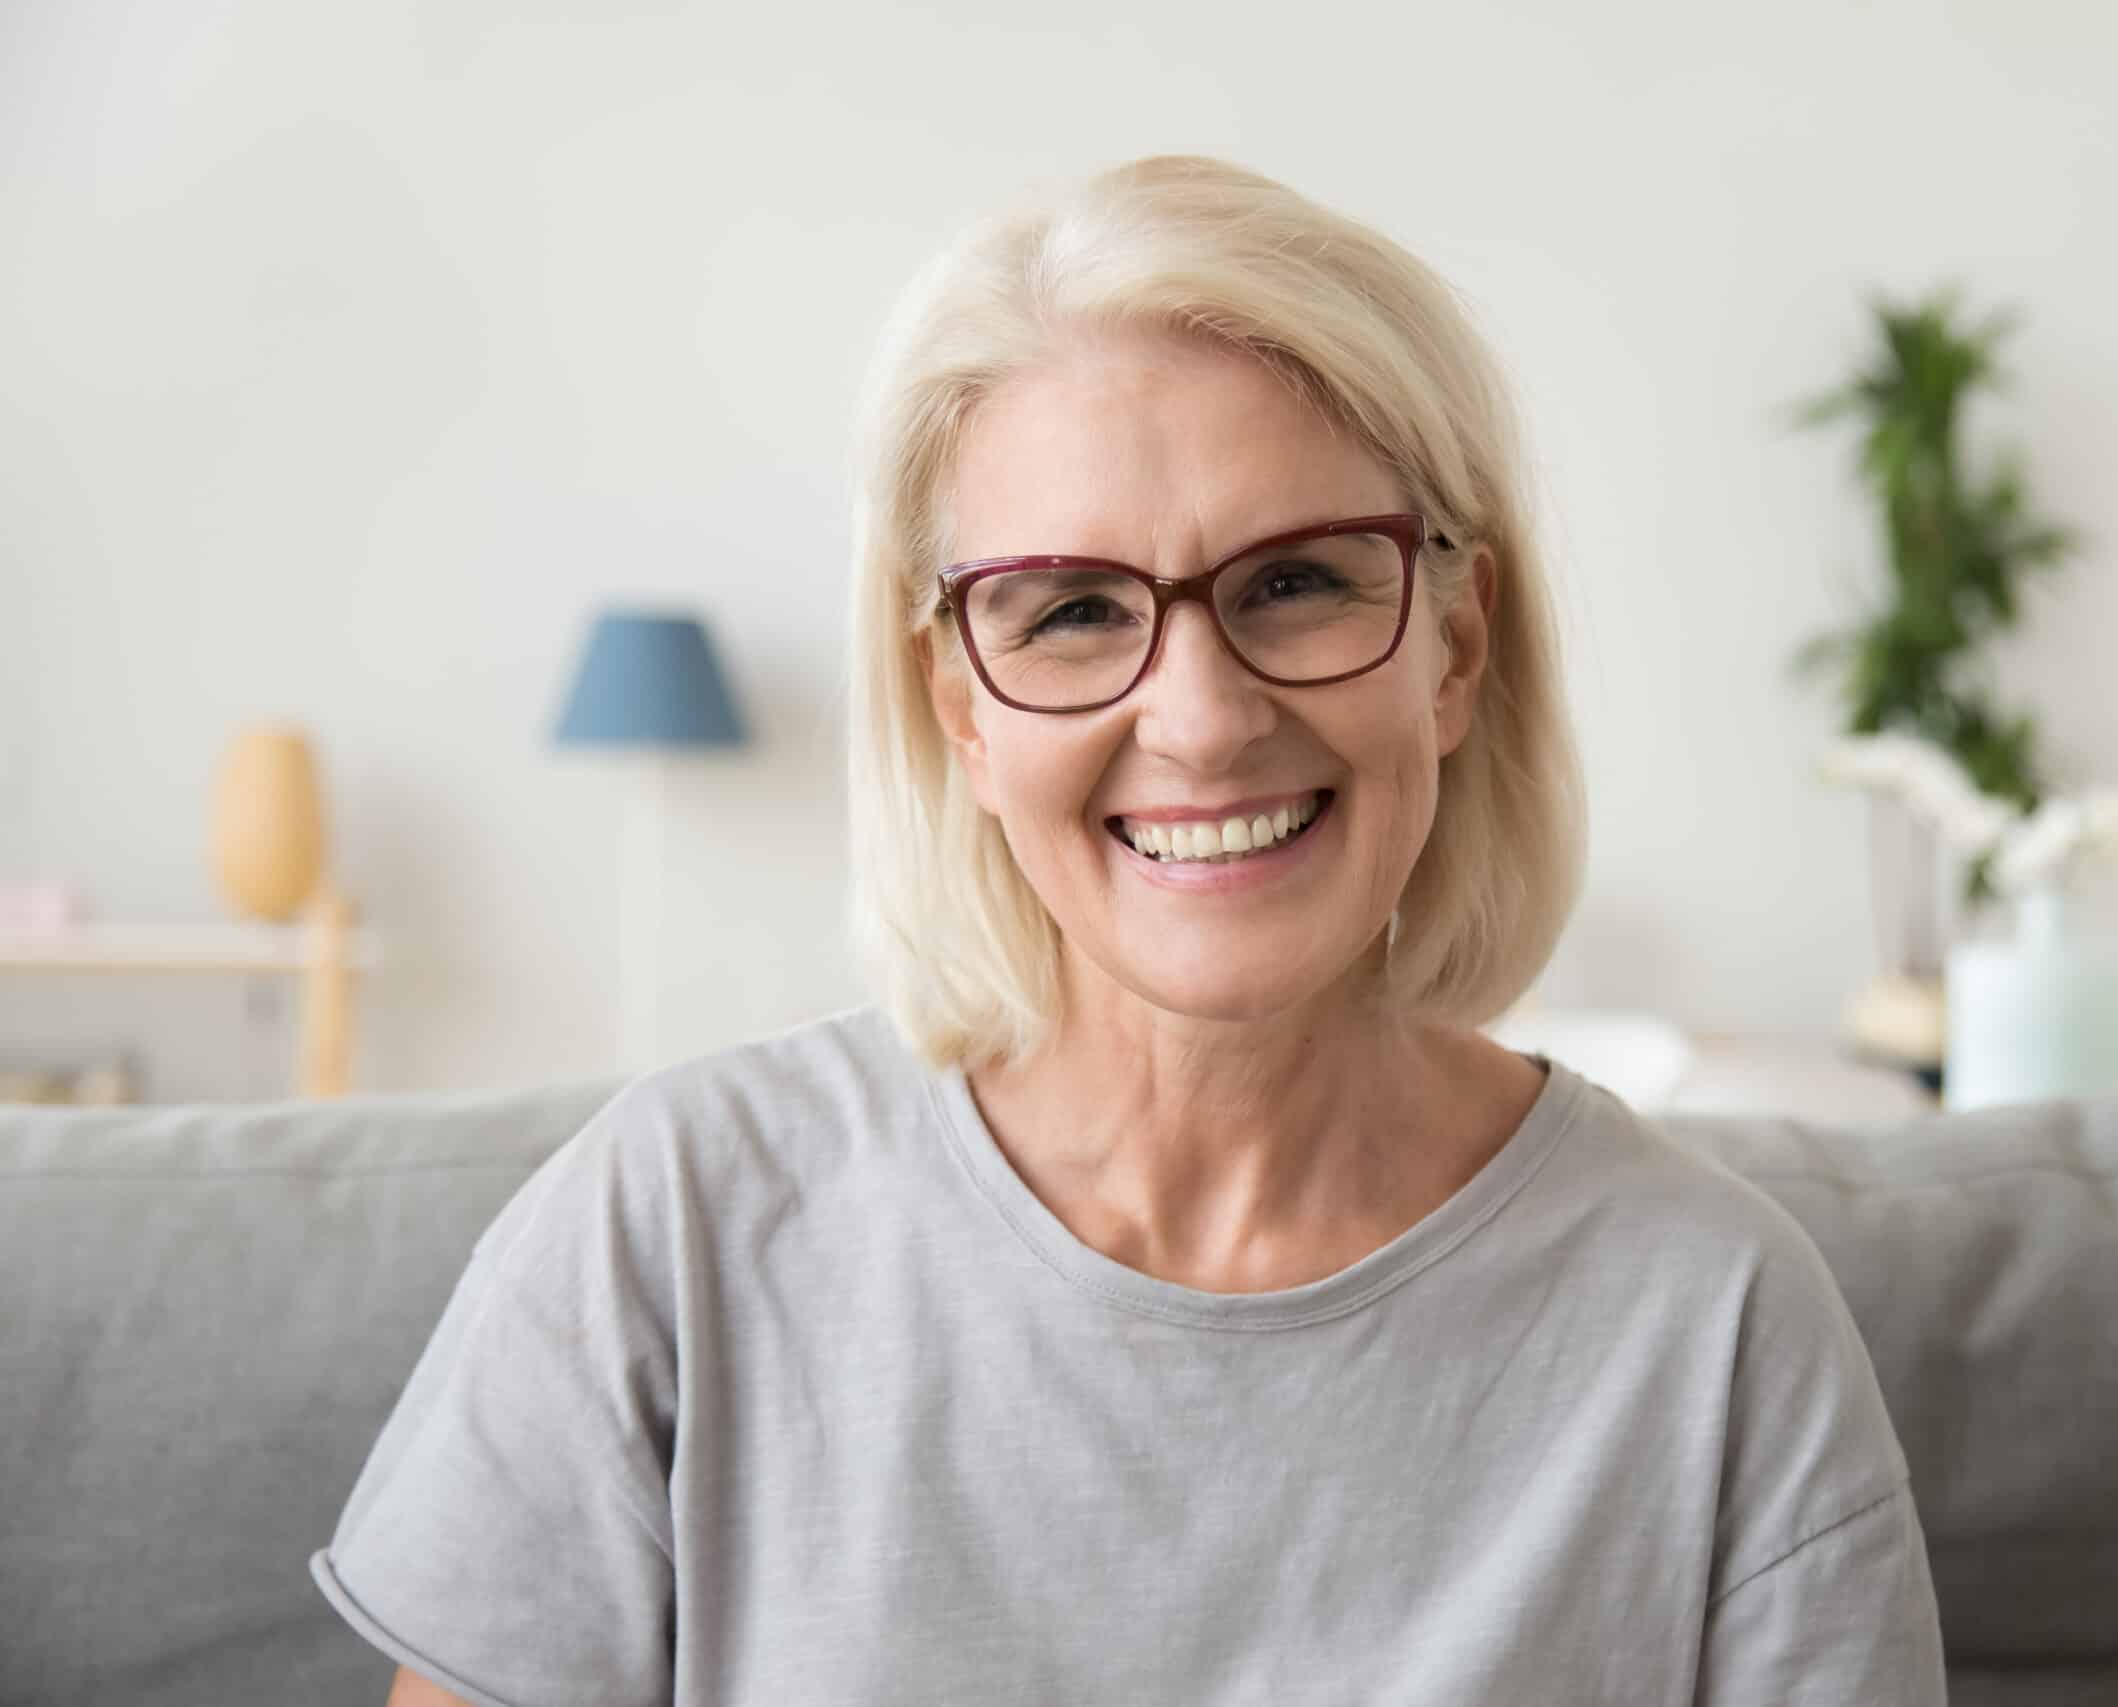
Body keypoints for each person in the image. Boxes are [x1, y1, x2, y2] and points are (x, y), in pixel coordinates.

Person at [313, 154, 1944, 1705]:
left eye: (1297, 580)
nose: (1205, 719)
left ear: (1454, 647)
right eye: (1075, 611)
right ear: (959, 702)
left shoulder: (1717, 1325)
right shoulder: (668, 1230)